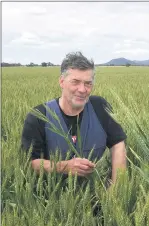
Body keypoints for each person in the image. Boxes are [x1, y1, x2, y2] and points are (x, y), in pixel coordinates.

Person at [21, 51, 127, 185]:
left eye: (88, 83)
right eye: (75, 82)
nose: (82, 89)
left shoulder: (99, 107)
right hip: (53, 199)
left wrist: (117, 188)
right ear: (61, 81)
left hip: (98, 196)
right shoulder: (38, 116)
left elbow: (118, 144)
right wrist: (64, 167)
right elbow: (32, 162)